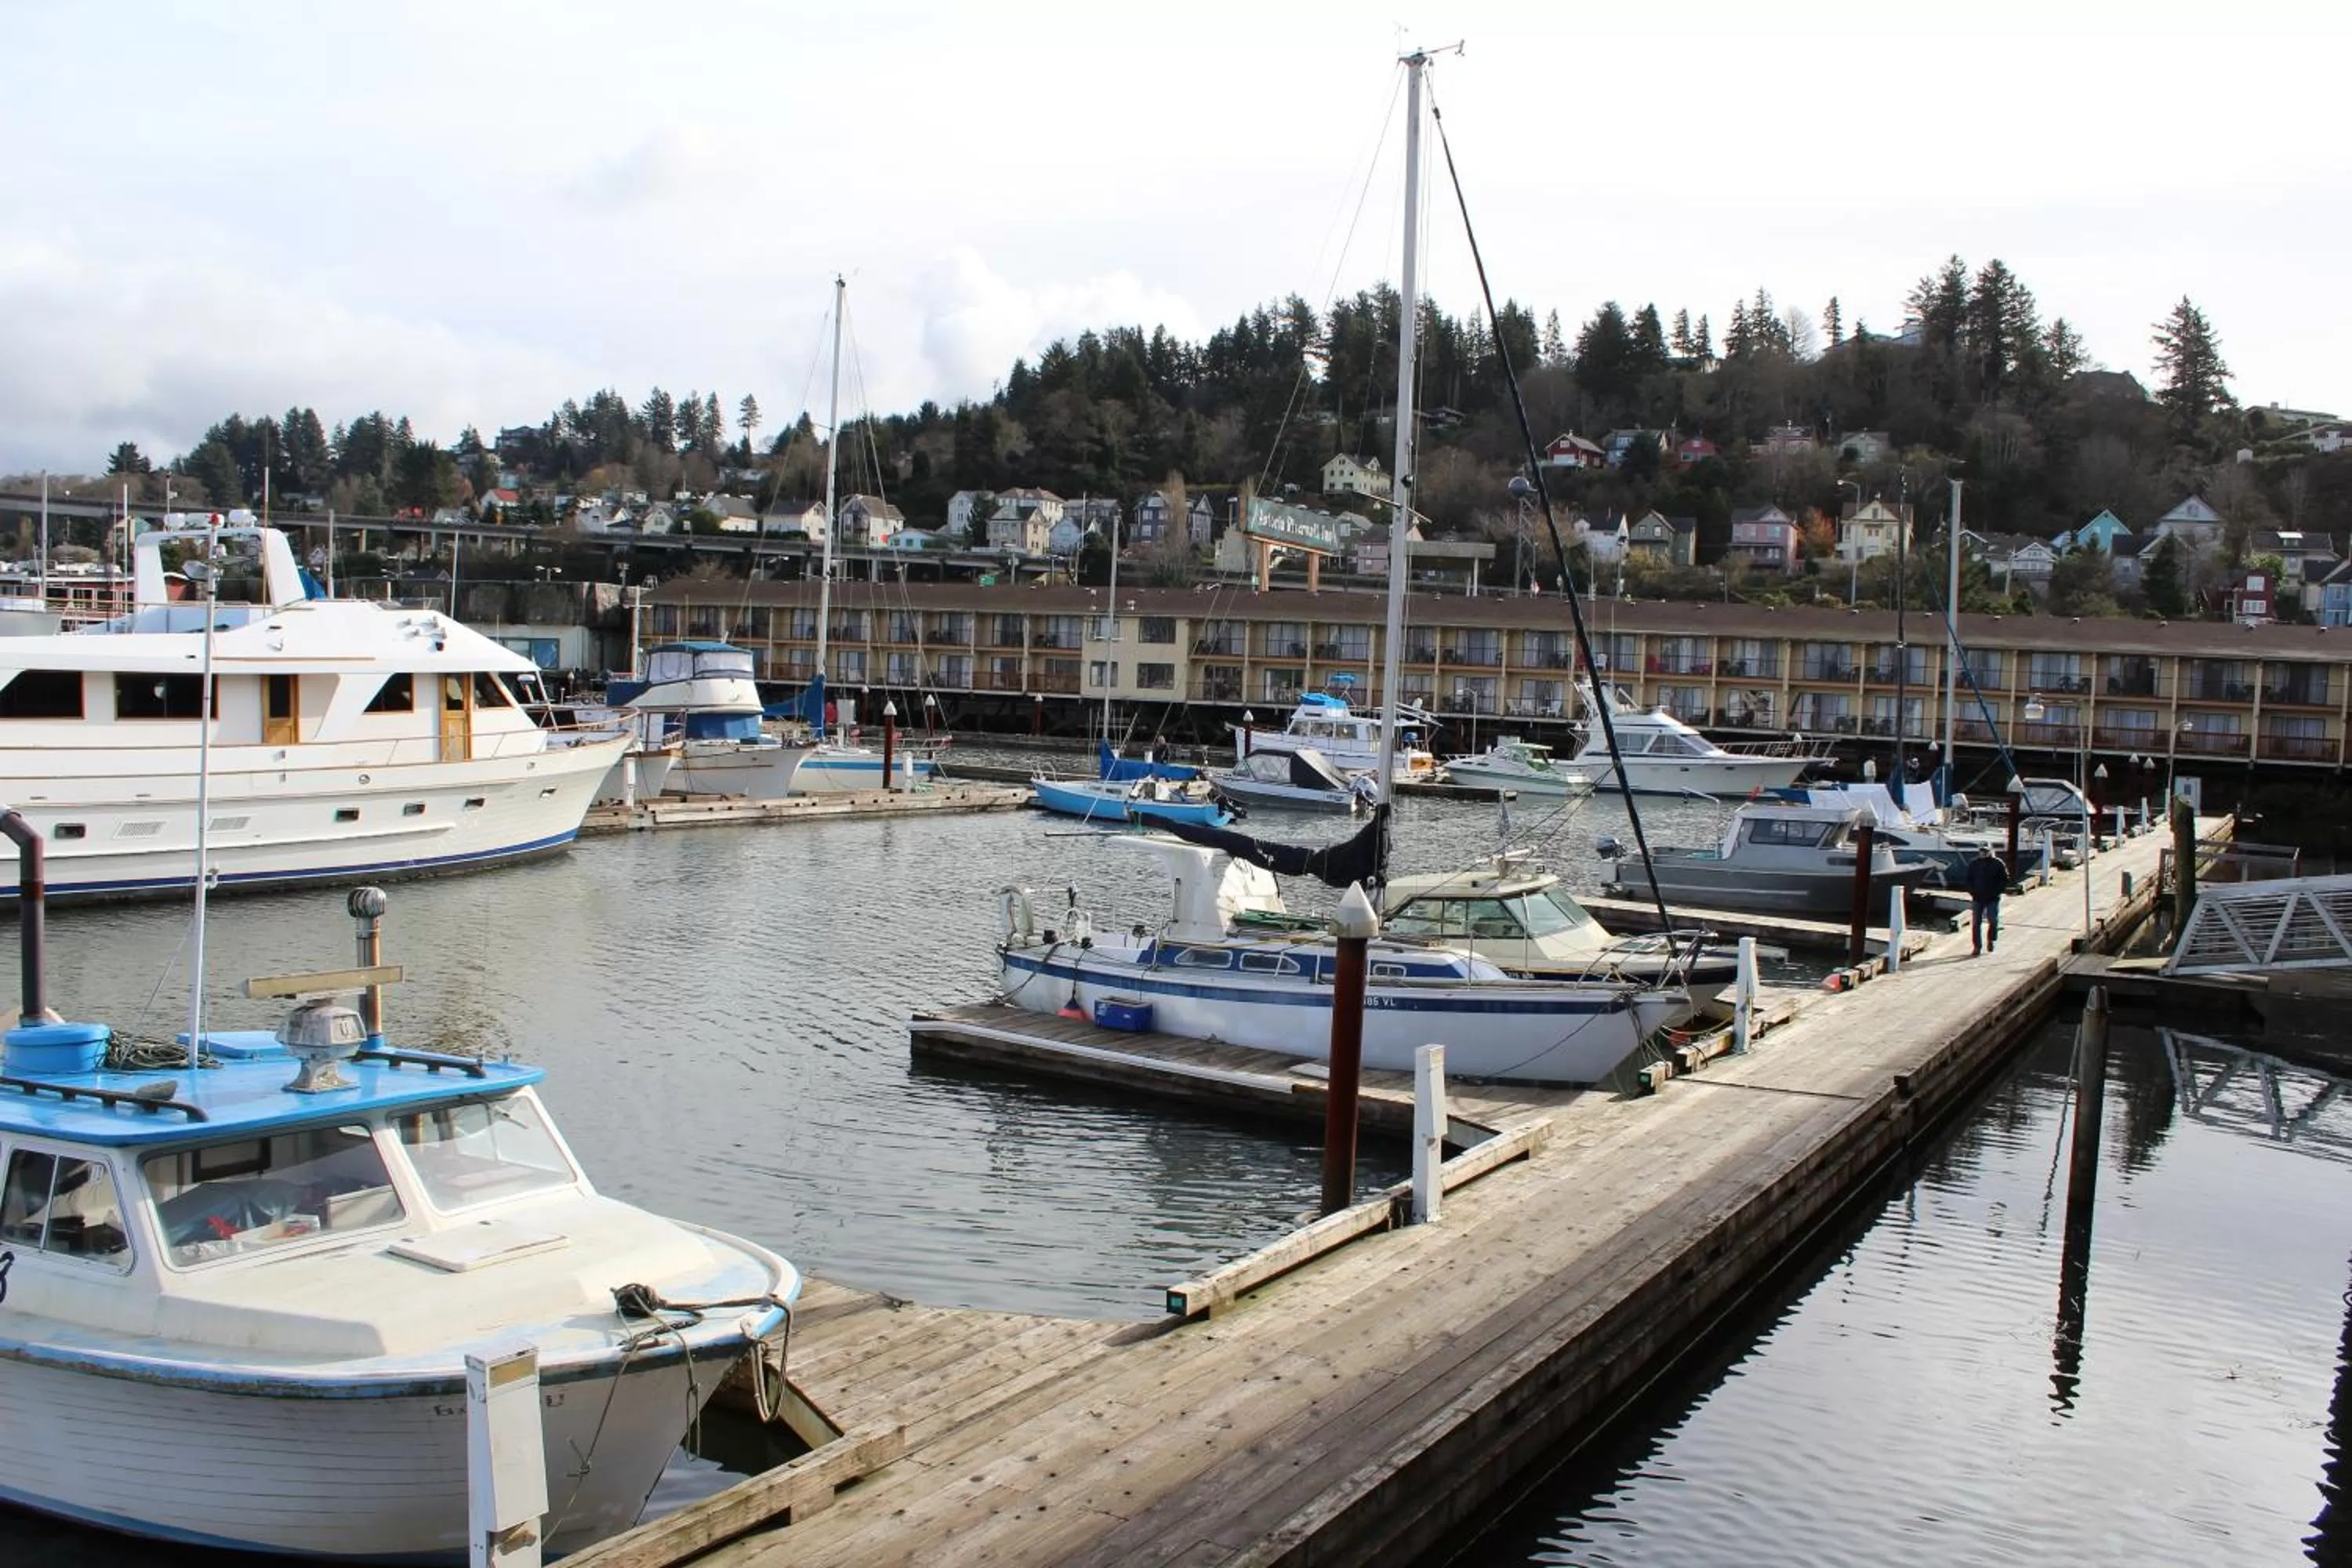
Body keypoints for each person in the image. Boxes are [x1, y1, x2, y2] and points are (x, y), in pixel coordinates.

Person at [1963, 844, 2008, 956]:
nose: (1983, 853)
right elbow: (1968, 879)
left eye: (1986, 851)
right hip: (1977, 897)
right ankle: (1977, 947)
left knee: (1993, 920)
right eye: (1981, 851)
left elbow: (2004, 879)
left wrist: (1997, 892)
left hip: (1993, 897)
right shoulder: (1974, 864)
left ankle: (1991, 939)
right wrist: (1972, 892)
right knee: (1976, 923)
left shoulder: (1998, 863)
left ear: (1990, 851)